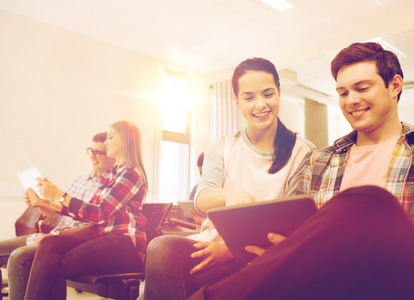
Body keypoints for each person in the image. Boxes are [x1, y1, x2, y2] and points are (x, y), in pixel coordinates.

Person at [187, 42, 414, 299]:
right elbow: (288, 236)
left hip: (396, 289)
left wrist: (320, 256)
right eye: (343, 93)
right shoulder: (320, 160)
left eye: (362, 88)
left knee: (370, 201)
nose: (352, 100)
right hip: (322, 287)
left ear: (394, 85)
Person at [140, 57, 316, 299]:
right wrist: (230, 194)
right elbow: (202, 198)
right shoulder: (222, 146)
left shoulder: (303, 152)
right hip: (209, 243)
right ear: (236, 100)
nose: (260, 105)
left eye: (268, 94)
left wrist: (232, 249)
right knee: (159, 248)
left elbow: (289, 222)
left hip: (260, 254)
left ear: (279, 92)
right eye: (249, 97)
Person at [15, 120, 148, 300]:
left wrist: (61, 194)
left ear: (124, 140)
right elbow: (87, 212)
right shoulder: (113, 176)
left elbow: (99, 213)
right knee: (49, 244)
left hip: (124, 245)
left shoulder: (132, 173)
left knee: (53, 265)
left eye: (110, 137)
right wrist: (48, 202)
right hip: (106, 239)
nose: (106, 142)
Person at [1, 132, 115, 300]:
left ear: (112, 156)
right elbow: (57, 213)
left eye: (99, 152)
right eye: (91, 150)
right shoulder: (80, 178)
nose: (93, 156)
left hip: (68, 239)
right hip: (52, 234)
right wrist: (40, 204)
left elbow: (93, 221)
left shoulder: (110, 185)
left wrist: (55, 232)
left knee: (20, 257)